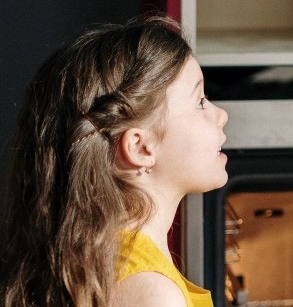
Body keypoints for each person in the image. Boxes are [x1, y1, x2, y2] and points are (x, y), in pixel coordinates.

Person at [0, 15, 228, 307]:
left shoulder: (113, 257)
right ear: (140, 146)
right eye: (200, 101)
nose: (221, 115)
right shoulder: (152, 293)